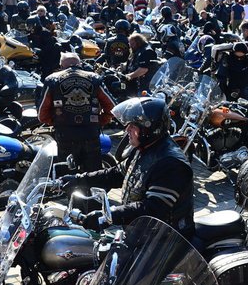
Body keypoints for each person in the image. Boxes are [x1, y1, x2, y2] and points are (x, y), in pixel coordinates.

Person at [68, 96, 194, 237]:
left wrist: (109, 215)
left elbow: (151, 208)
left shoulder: (171, 164)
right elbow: (116, 174)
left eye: (133, 125)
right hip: (143, 233)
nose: (127, 128)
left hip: (168, 240)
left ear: (150, 129)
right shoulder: (144, 148)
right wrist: (77, 179)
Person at [38, 52, 116, 169]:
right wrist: (101, 120)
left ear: (61, 65)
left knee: (67, 174)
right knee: (93, 173)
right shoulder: (94, 78)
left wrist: (55, 121)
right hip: (90, 132)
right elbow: (112, 106)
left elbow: (42, 114)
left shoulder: (52, 79)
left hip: (65, 133)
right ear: (79, 64)